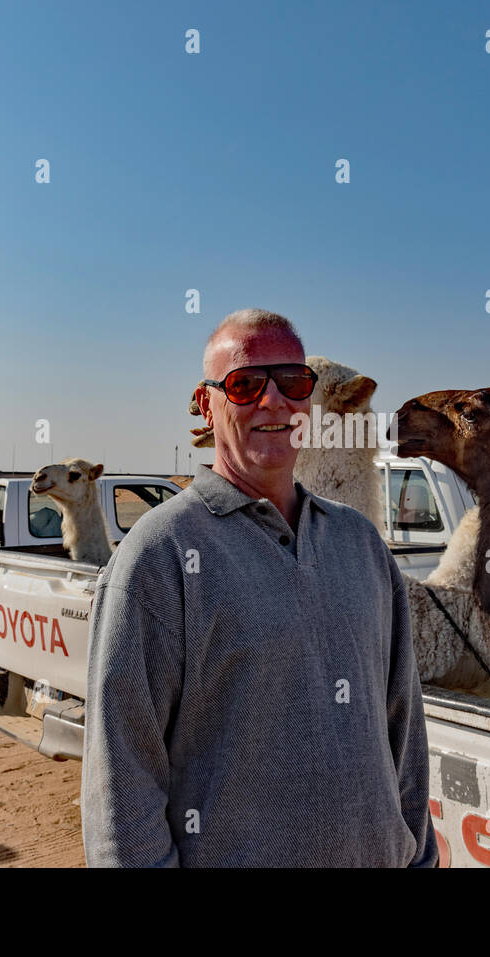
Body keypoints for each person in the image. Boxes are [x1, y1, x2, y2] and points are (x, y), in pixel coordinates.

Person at [81, 308, 437, 867]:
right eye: (245, 385)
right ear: (206, 404)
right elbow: (121, 783)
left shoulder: (360, 545)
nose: (273, 402)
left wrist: (420, 858)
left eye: (292, 384)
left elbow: (403, 731)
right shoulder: (161, 555)